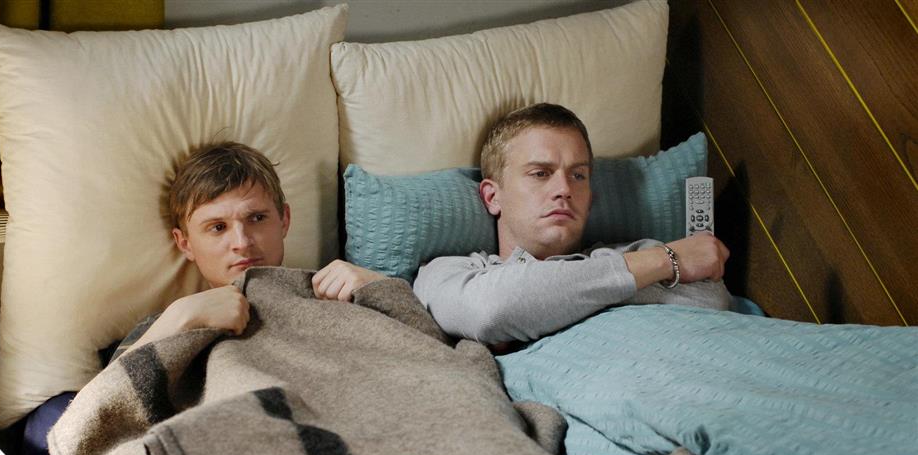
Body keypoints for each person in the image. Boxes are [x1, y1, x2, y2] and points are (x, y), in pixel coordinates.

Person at [412, 103, 733, 346]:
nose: (564, 189)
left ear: (590, 198)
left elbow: (712, 301)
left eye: (578, 175)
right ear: (492, 196)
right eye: (540, 173)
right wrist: (662, 262)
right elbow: (490, 311)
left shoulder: (634, 252)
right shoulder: (452, 271)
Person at [112, 141, 384, 359]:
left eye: (256, 218)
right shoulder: (166, 325)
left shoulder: (339, 294)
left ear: (284, 220)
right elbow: (103, 402)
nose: (242, 242)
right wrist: (181, 318)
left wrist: (380, 290)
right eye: (218, 227)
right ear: (185, 243)